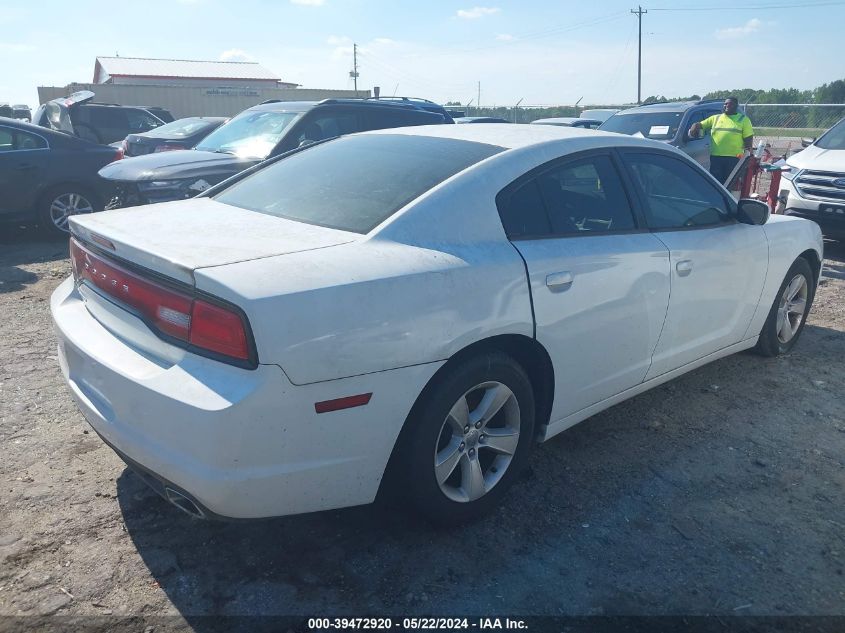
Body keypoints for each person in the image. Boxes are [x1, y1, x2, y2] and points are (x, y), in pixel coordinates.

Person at [689, 97, 754, 183]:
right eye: (725, 104)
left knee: (731, 182)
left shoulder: (743, 120)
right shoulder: (715, 118)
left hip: (734, 157)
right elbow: (700, 125)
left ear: (736, 106)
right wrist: (695, 126)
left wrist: (748, 155)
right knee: (716, 182)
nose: (727, 106)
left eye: (730, 104)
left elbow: (748, 139)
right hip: (716, 157)